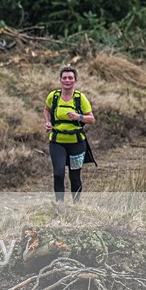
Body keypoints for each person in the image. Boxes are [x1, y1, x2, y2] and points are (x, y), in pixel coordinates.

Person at [43, 65, 96, 203]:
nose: (67, 80)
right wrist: (48, 122)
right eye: (65, 78)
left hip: (77, 143)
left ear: (75, 80)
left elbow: (91, 119)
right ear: (60, 80)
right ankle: (59, 205)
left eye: (70, 78)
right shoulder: (53, 96)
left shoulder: (80, 98)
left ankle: (76, 205)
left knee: (75, 176)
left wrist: (78, 117)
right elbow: (47, 109)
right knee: (58, 174)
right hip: (57, 142)